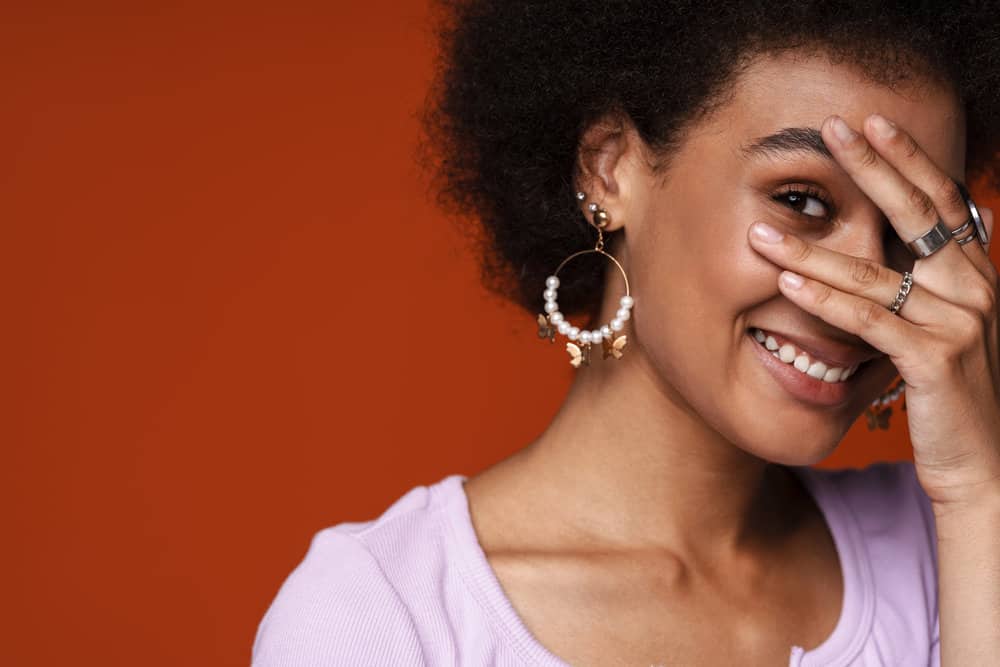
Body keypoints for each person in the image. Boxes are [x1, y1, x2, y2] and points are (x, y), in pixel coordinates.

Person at [252, 1, 1000, 665]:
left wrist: (976, 490)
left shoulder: (955, 546)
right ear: (610, 170)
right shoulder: (388, 615)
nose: (861, 285)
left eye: (912, 231)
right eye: (801, 199)